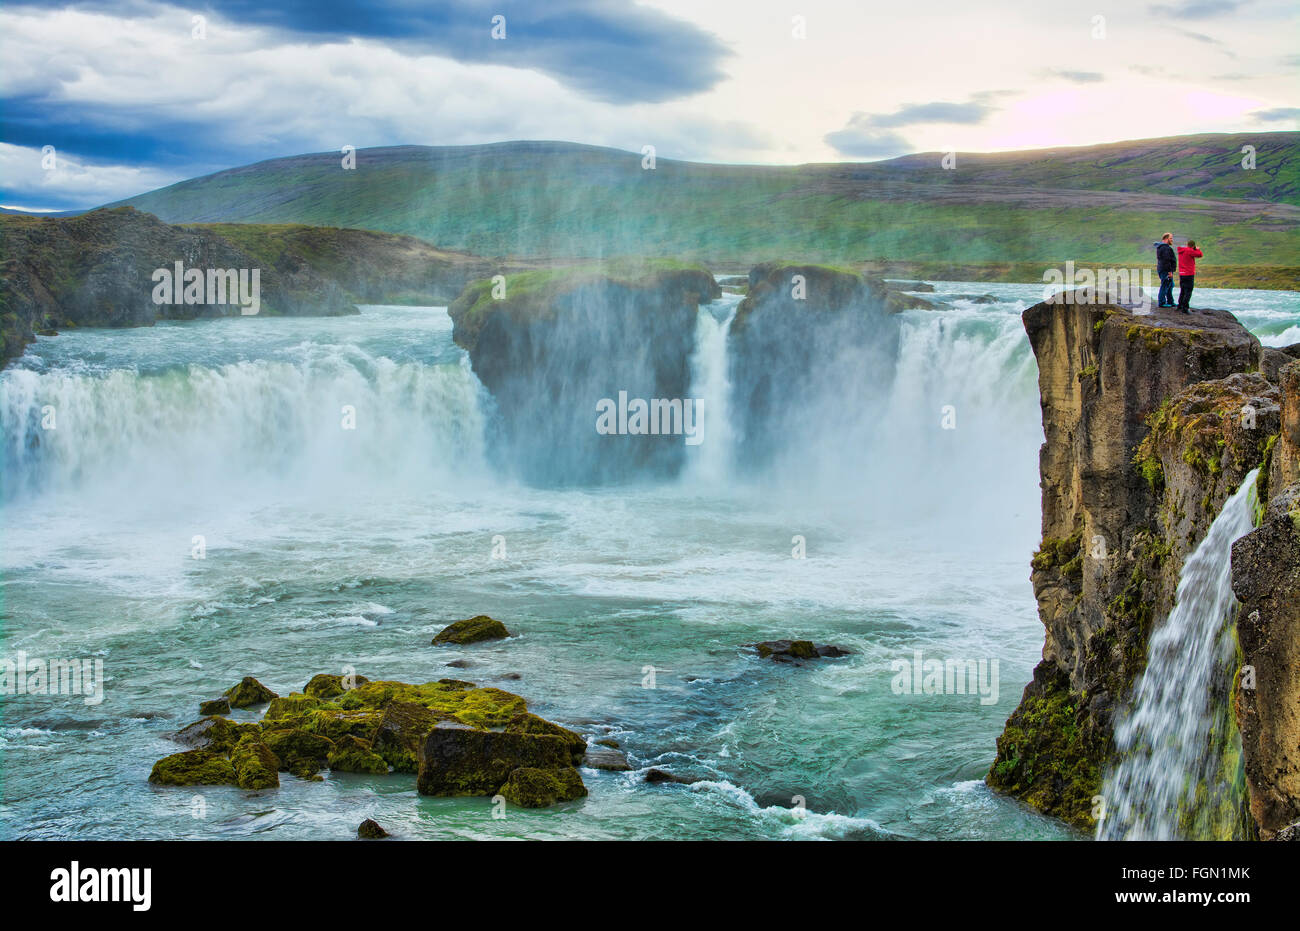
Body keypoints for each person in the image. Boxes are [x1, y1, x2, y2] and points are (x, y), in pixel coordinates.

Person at [1176, 239, 1203, 313]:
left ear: (1187, 244)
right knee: (1188, 291)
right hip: (1189, 273)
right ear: (1193, 246)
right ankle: (1185, 308)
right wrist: (1197, 249)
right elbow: (1200, 255)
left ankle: (1180, 305)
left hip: (1182, 273)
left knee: (1183, 290)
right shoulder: (1190, 251)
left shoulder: (1181, 251)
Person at [1153, 233, 1176, 307]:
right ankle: (1162, 302)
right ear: (1166, 239)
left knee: (1170, 284)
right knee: (1165, 284)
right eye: (1171, 238)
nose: (1172, 240)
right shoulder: (1165, 248)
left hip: (1164, 269)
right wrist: (1169, 271)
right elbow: (1166, 260)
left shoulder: (1163, 247)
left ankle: (1170, 301)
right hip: (1165, 270)